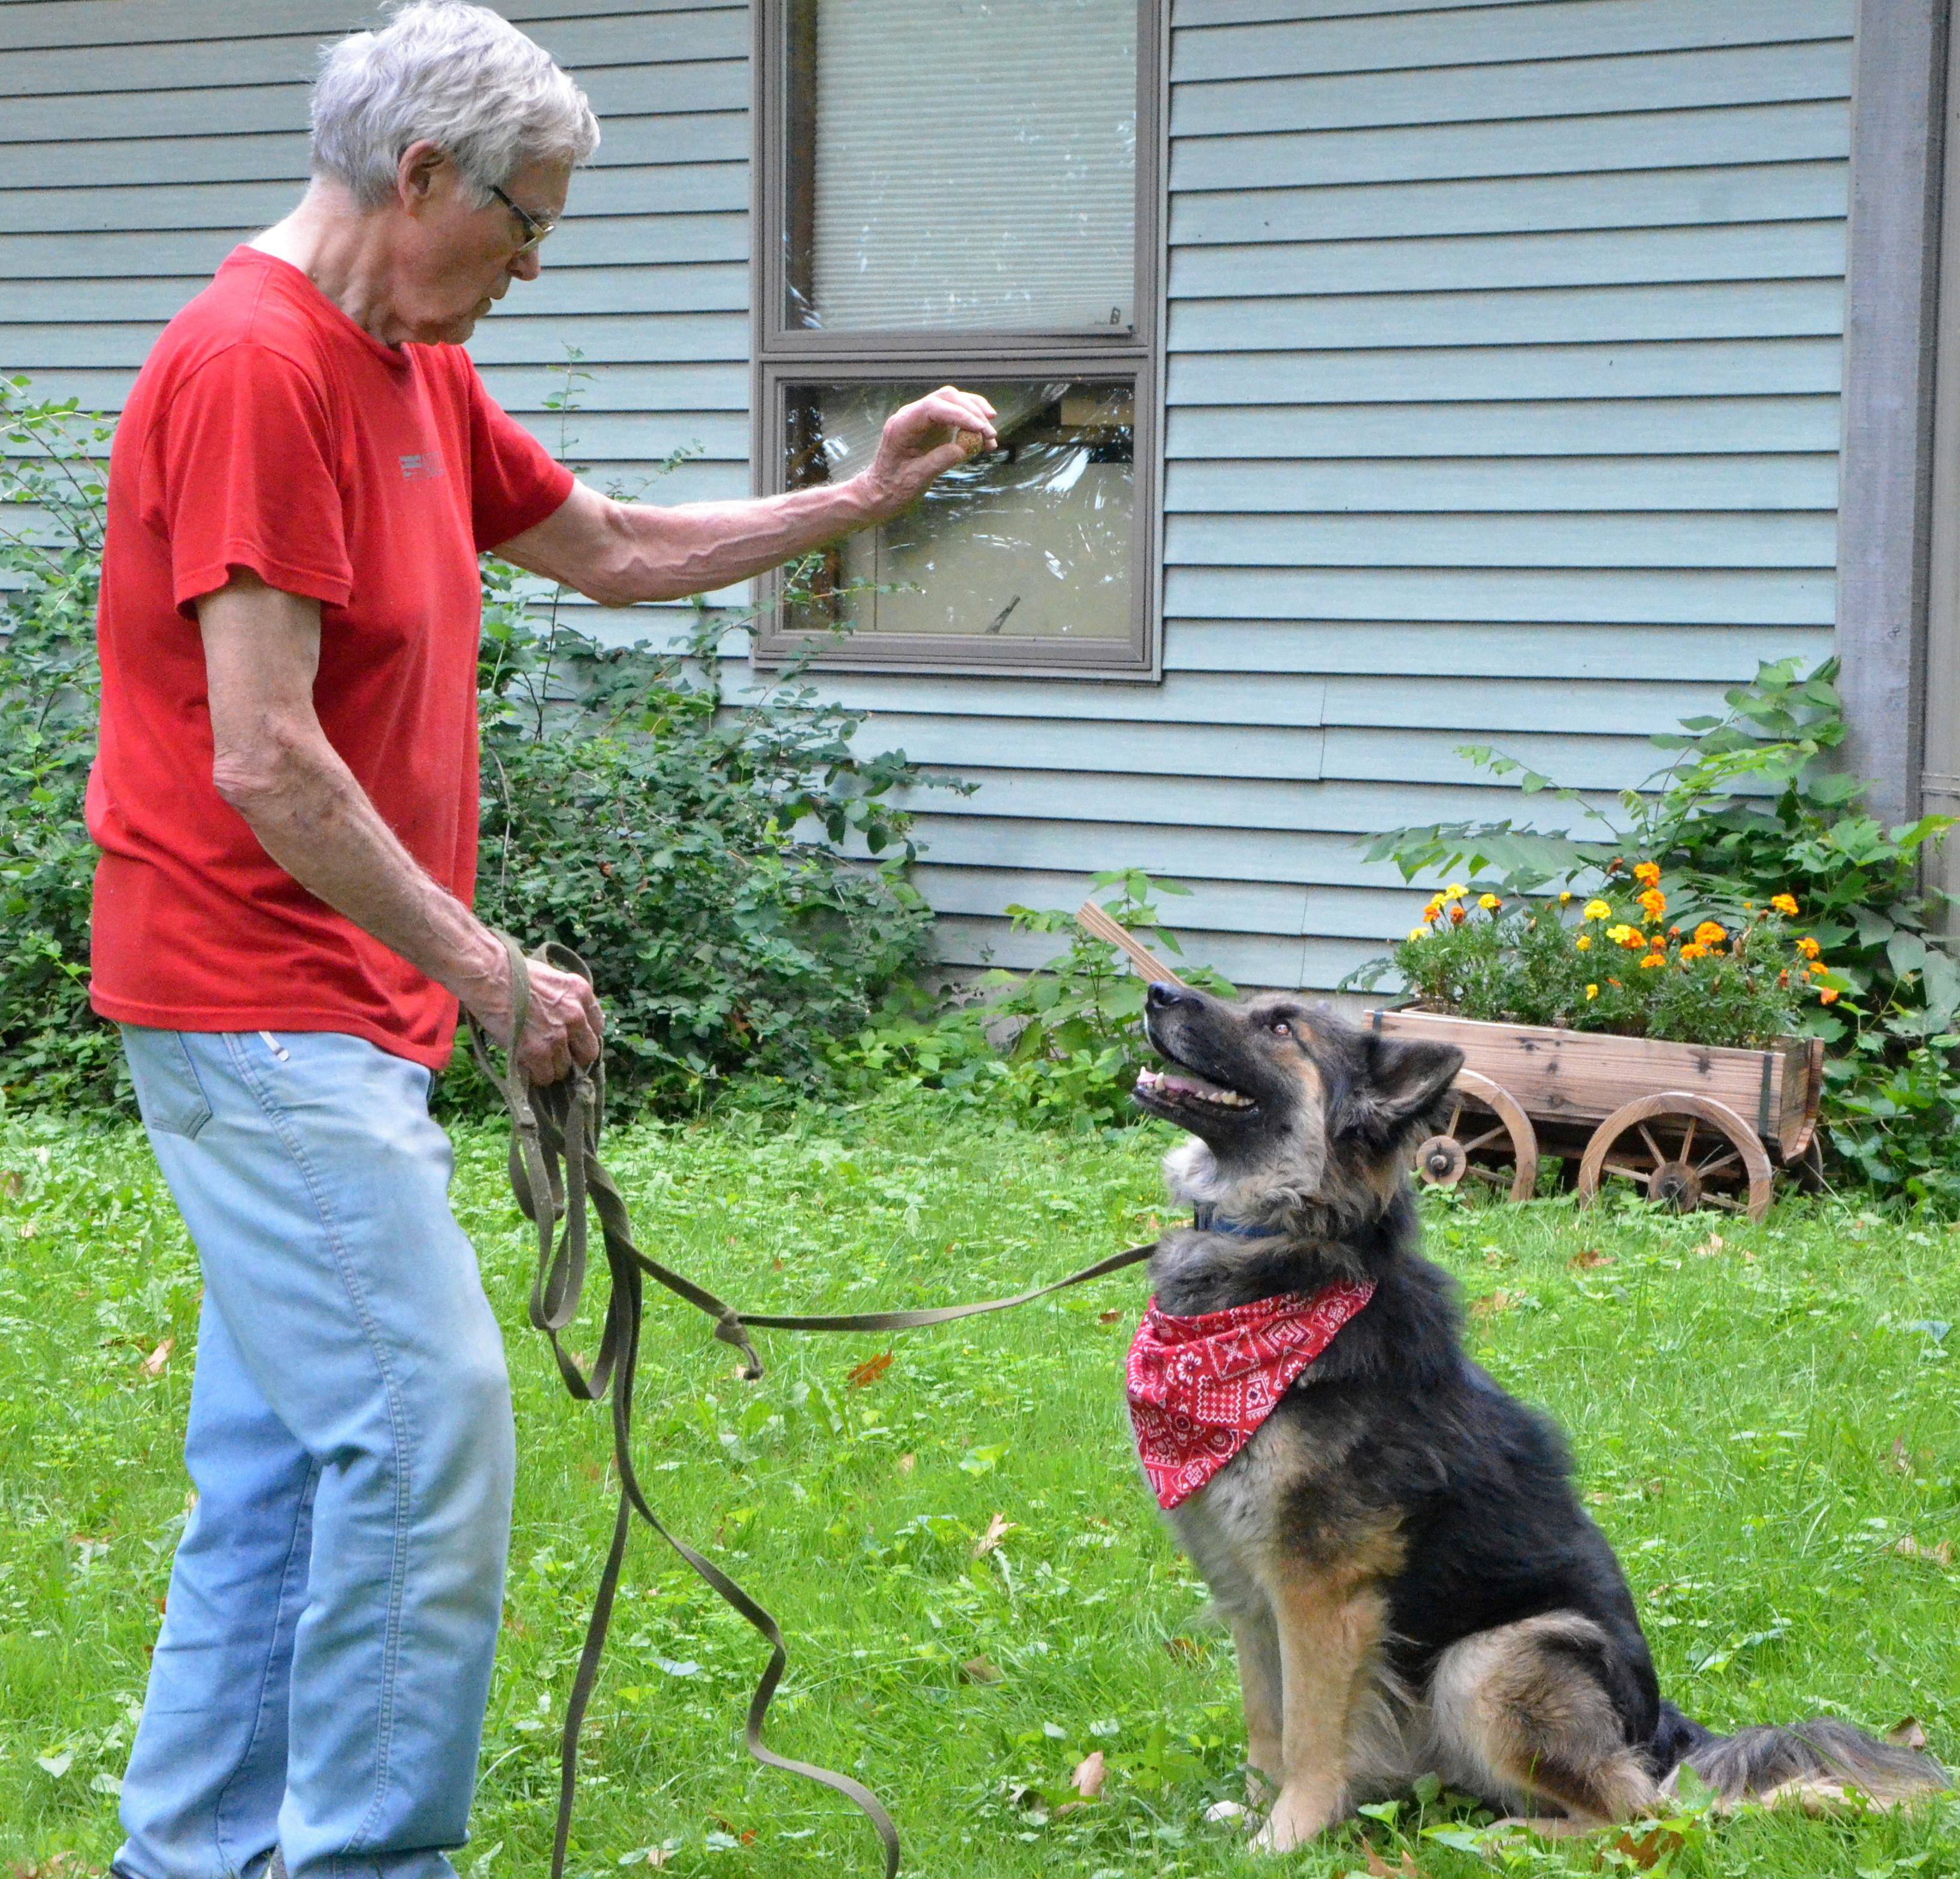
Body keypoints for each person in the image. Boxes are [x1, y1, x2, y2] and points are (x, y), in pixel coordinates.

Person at [87, 7, 997, 1877]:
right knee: (427, 1437)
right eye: (529, 223)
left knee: (280, 1475)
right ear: (421, 178)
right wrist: (491, 969)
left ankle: (188, 1857)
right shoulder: (262, 366)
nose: (531, 261)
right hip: (257, 1005)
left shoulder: (405, 360)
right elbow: (265, 750)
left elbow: (613, 547)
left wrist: (864, 497)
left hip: (330, 1007)